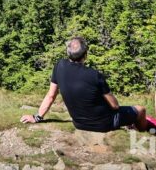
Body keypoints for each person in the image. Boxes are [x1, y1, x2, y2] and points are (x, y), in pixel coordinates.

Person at [20, 37, 148, 133]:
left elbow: (51, 95)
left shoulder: (59, 66)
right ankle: (141, 133)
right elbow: (114, 106)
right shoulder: (94, 75)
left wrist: (37, 117)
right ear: (85, 55)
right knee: (141, 110)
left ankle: (131, 126)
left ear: (68, 53)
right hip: (104, 124)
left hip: (79, 124)